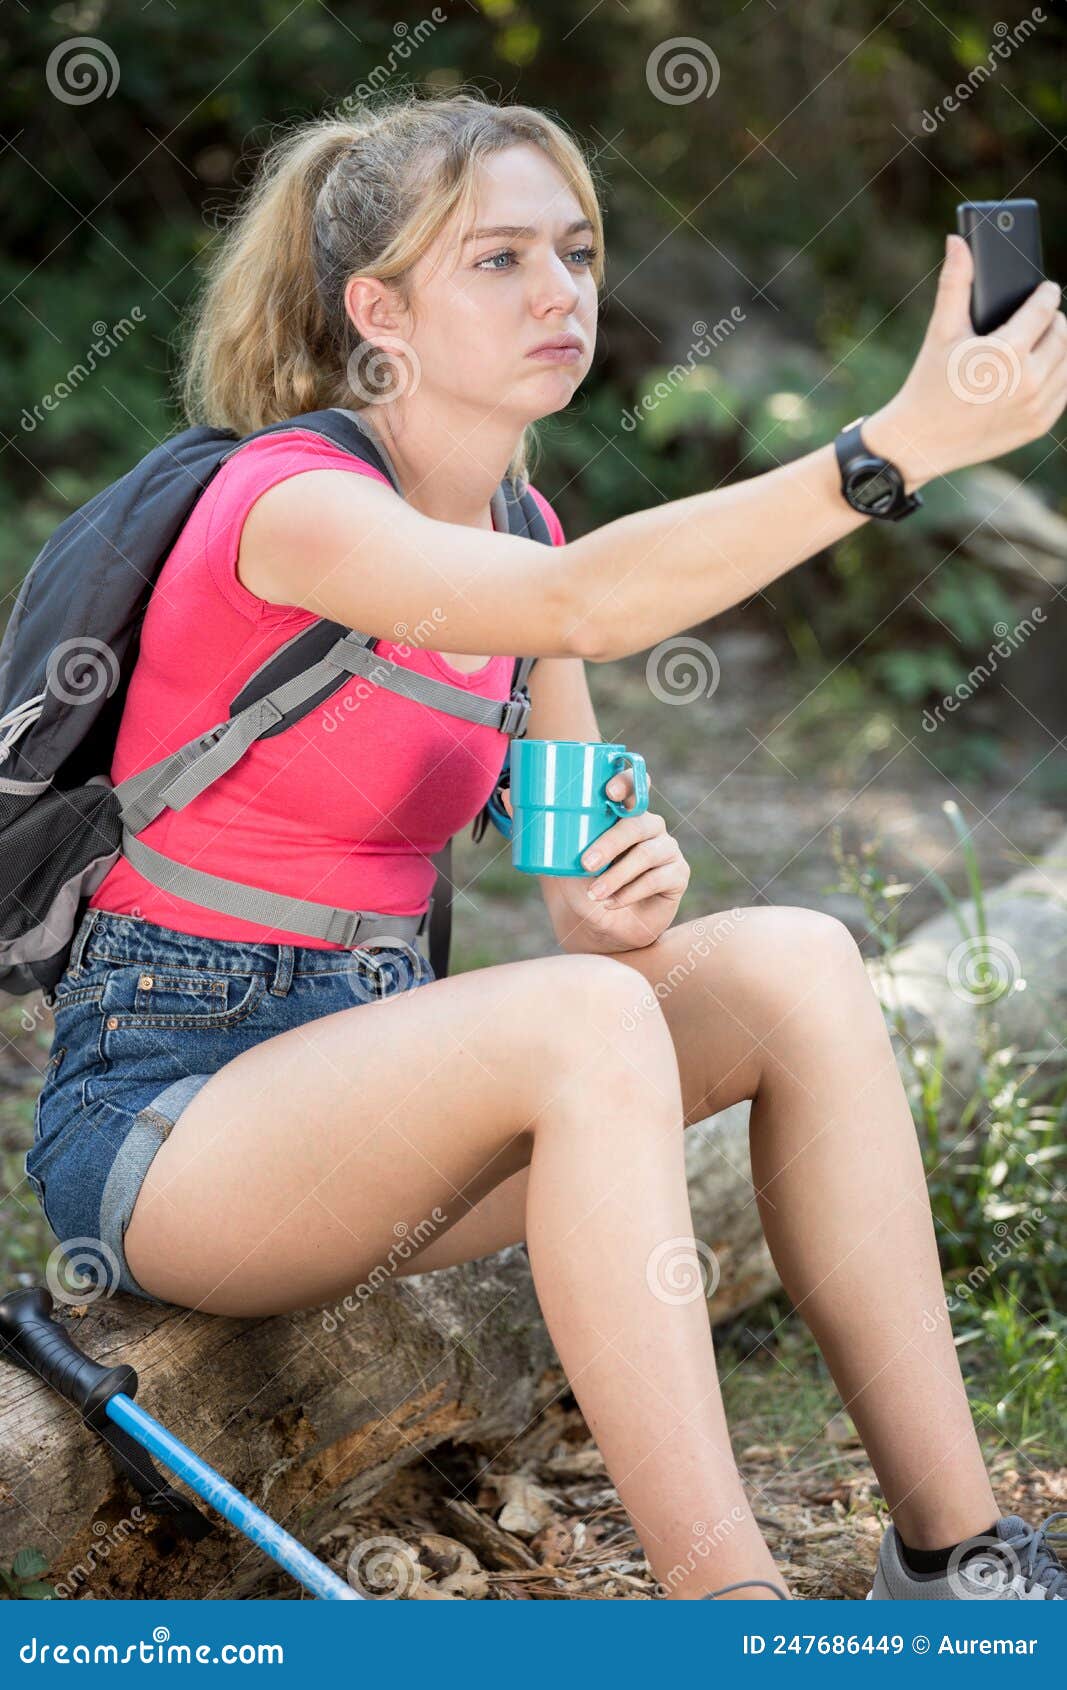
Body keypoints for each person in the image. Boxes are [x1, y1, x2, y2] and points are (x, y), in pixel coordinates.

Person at [30, 90, 1067, 1602]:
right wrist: (892, 447)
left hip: (365, 1095)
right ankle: (734, 1618)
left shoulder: (527, 531)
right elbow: (590, 610)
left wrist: (623, 900)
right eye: (499, 259)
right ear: (375, 310)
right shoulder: (294, 504)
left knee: (796, 960)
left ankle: (961, 1551)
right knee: (584, 1022)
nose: (561, 292)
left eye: (576, 252)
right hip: (169, 1118)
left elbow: (591, 925)